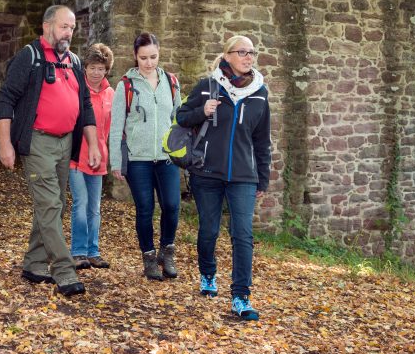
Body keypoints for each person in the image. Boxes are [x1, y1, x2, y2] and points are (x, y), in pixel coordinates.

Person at [0, 6, 101, 297]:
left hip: (66, 142)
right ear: (47, 26)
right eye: (64, 26)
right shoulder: (30, 57)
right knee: (51, 206)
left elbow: (85, 106)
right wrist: (5, 144)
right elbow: (4, 100)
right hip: (38, 142)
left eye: (72, 27)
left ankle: (34, 263)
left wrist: (92, 144)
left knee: (55, 206)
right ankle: (64, 271)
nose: (68, 32)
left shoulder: (75, 61)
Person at [174, 35, 271, 319]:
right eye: (242, 52)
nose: (248, 57)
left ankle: (241, 296)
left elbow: (262, 141)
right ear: (227, 55)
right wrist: (201, 112)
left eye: (252, 52)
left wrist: (262, 179)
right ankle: (207, 274)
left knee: (243, 234)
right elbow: (181, 117)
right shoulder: (208, 87)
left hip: (243, 175)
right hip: (207, 172)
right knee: (209, 230)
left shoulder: (259, 93)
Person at [109, 32, 183, 281]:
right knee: (145, 209)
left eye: (153, 57)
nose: (149, 62)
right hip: (138, 159)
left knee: (172, 206)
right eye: (143, 58)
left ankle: (167, 250)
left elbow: (178, 120)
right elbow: (116, 126)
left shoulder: (171, 82)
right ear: (135, 57)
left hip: (167, 158)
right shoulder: (126, 86)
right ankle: (149, 258)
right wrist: (116, 162)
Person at [70, 43, 114, 270]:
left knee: (94, 207)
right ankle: (78, 252)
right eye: (93, 67)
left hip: (99, 159)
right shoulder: (77, 90)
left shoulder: (111, 94)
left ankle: (93, 251)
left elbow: (113, 129)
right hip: (77, 156)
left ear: (106, 70)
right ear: (85, 67)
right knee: (81, 202)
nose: (97, 72)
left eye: (101, 68)